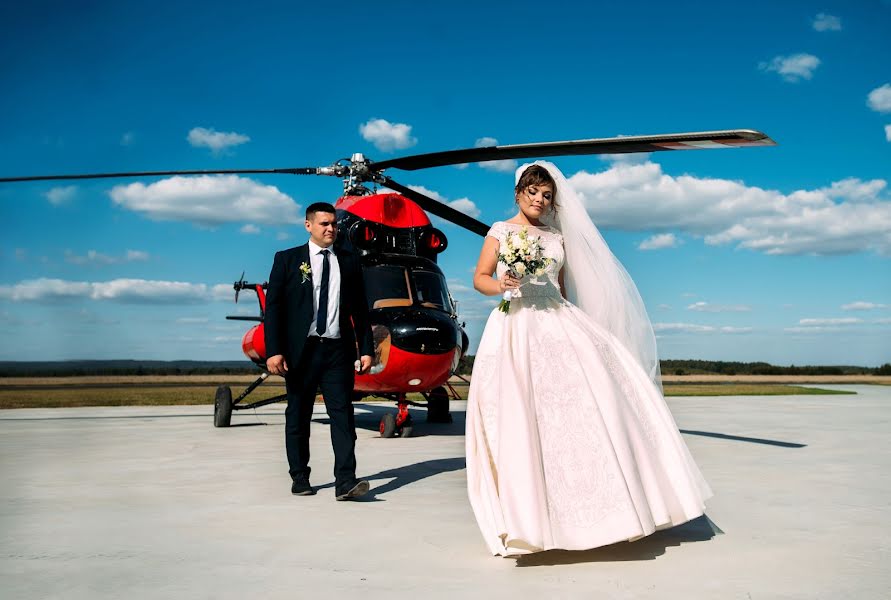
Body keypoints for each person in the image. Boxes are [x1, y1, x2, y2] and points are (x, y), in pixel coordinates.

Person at [466, 162, 712, 556]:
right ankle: (528, 517)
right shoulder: (499, 231)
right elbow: (479, 277)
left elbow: (561, 289)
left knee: (581, 411)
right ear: (518, 193)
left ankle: (609, 507)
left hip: (555, 320)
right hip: (514, 326)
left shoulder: (557, 238)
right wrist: (501, 284)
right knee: (520, 412)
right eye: (533, 192)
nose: (540, 200)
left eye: (547, 195)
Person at [265, 202, 375, 501]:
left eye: (334, 224)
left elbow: (360, 310)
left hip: (337, 350)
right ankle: (300, 477)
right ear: (308, 225)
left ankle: (346, 481)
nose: (330, 229)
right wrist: (274, 350)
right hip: (301, 351)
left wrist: (366, 348)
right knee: (298, 416)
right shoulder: (287, 260)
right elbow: (273, 309)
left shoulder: (349, 260)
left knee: (343, 416)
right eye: (324, 224)